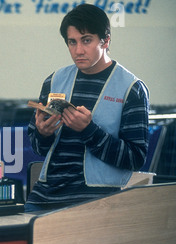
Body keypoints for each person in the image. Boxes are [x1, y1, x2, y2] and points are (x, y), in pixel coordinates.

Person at [24, 4, 150, 213]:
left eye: (87, 40)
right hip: (45, 197)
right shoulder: (54, 80)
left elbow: (135, 158)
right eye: (72, 42)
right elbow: (38, 148)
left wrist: (89, 131)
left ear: (106, 41)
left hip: (98, 201)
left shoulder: (132, 88)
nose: (78, 50)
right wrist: (42, 133)